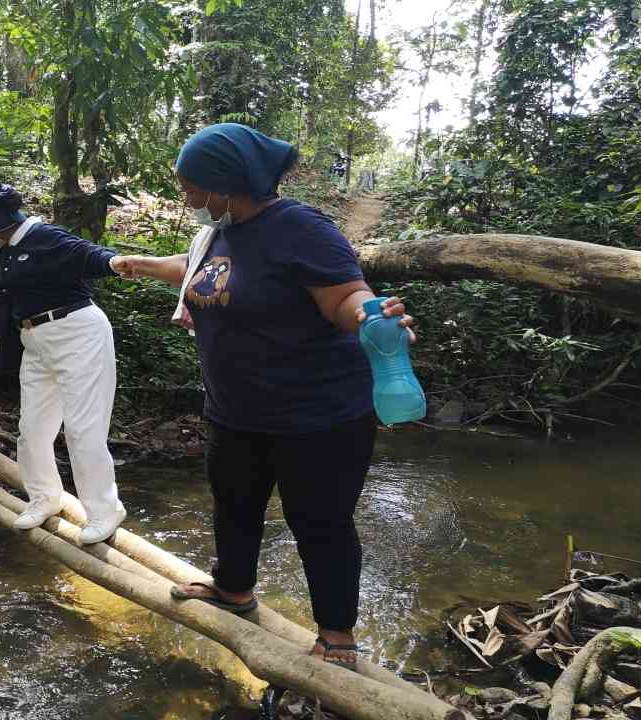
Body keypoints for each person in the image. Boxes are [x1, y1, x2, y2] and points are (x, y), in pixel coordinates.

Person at [113, 123, 415, 670]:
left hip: (317, 418)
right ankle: (234, 591)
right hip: (235, 412)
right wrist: (144, 265)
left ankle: (337, 633)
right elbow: (203, 275)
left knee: (320, 523)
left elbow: (347, 297)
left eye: (190, 184)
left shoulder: (300, 228)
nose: (184, 193)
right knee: (235, 507)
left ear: (226, 185)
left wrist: (375, 321)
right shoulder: (220, 231)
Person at [0, 181, 130, 545]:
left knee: (82, 428)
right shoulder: (8, 250)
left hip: (78, 333)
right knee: (33, 429)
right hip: (35, 340)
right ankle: (45, 497)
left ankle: (105, 510)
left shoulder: (46, 238)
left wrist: (117, 263)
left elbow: (91, 256)